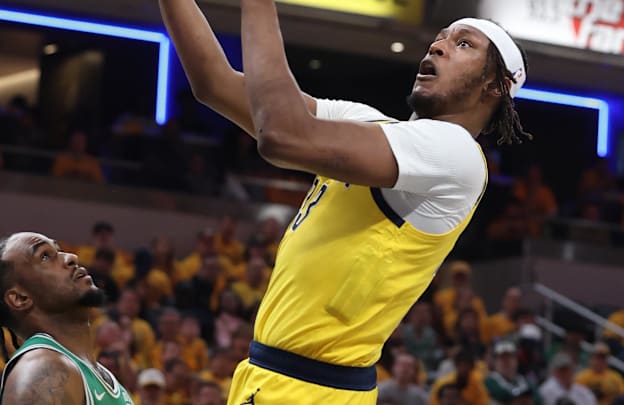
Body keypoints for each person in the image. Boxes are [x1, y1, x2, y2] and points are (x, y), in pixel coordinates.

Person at [161, 0, 530, 403]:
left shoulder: (455, 154)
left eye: (463, 44)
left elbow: (282, 135)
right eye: (439, 38)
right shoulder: (369, 124)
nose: (436, 47)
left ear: (494, 86)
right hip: (268, 375)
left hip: (316, 390)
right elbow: (214, 83)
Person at [0, 232, 134, 403]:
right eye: (45, 256)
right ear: (20, 298)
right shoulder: (41, 369)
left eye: (59, 250)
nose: (71, 257)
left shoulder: (97, 372)